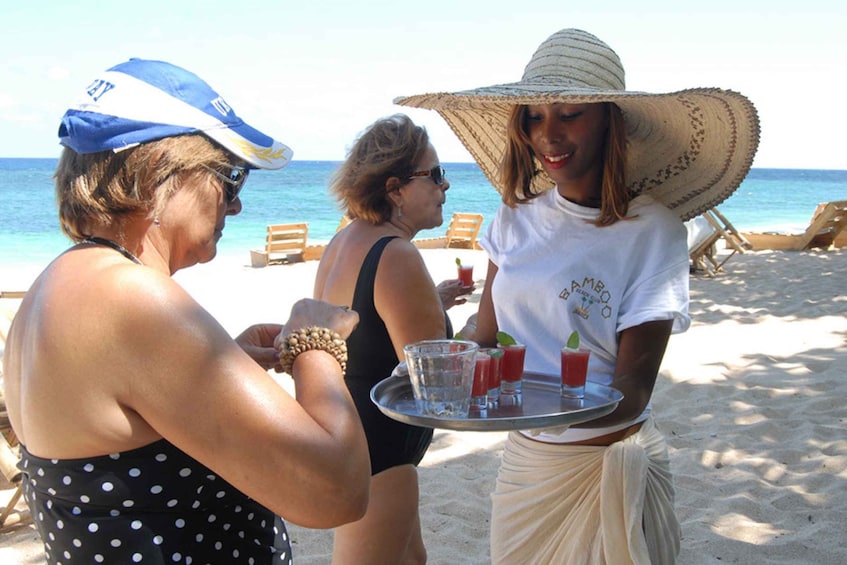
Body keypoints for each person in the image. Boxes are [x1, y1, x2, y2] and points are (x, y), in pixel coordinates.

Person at [396, 29, 759, 563]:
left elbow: (632, 389)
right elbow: (486, 336)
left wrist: (531, 409)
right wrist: (432, 372)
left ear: (611, 119)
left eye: (570, 114)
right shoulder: (513, 219)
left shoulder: (653, 231)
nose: (549, 135)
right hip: (526, 471)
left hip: (606, 467)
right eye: (536, 117)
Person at [1, 58, 371, 564]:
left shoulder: (58, 284)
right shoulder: (129, 300)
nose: (235, 206)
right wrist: (317, 346)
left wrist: (225, 362)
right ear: (161, 174)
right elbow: (338, 490)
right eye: (231, 177)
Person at [313, 114, 471, 564]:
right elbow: (435, 381)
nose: (445, 187)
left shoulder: (344, 242)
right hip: (382, 454)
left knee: (411, 558)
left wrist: (433, 301)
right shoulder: (396, 254)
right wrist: (480, 335)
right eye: (436, 175)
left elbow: (366, 332)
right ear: (396, 189)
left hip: (348, 442)